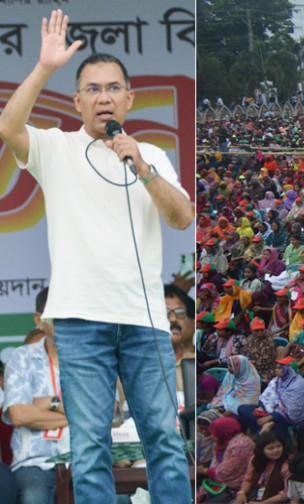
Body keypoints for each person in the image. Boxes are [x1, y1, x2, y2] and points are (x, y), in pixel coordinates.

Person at [0, 10, 194, 501]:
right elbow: (9, 125)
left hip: (144, 320)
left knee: (164, 442)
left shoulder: (151, 155)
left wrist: (142, 167)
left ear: (129, 98)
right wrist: (45, 66)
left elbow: (181, 218)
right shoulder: (56, 148)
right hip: (80, 322)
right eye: (92, 89)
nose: (103, 97)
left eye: (112, 88)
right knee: (89, 448)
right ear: (77, 101)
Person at [2, 325, 68, 504]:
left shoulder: (90, 355)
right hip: (35, 462)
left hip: (86, 457)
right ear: (40, 320)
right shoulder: (22, 357)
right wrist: (81, 416)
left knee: (117, 496)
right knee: (33, 496)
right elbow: (19, 415)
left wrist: (50, 403)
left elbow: (109, 412)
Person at [199, 417, 255, 502]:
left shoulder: (239, 446)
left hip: (237, 488)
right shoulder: (224, 443)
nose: (213, 437)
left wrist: (203, 470)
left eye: (214, 433)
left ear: (222, 432)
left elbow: (224, 474)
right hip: (225, 485)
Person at [233, 432, 291, 504]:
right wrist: (242, 493)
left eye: (279, 446)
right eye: (271, 448)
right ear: (262, 450)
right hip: (257, 495)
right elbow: (248, 480)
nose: (276, 450)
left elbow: (287, 493)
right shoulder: (255, 460)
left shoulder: (287, 465)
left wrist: (263, 503)